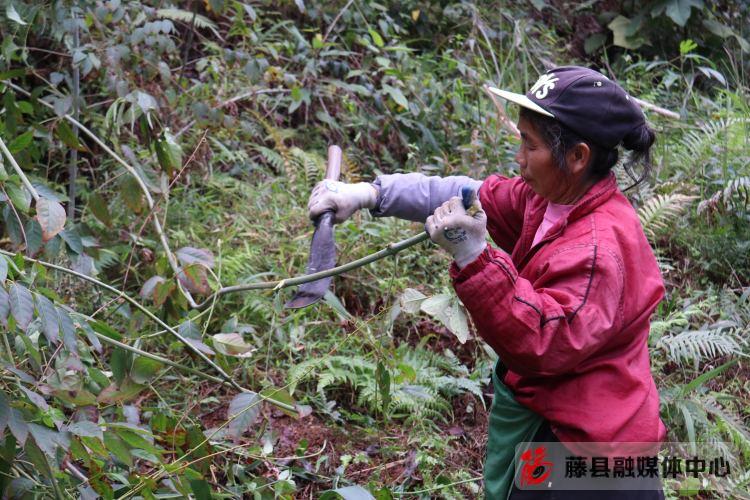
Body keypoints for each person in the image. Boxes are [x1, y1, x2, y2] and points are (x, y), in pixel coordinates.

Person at [307, 66, 666, 499]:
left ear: (577, 157)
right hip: (556, 425)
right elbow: (467, 192)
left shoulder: (597, 250)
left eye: (529, 145)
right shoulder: (550, 199)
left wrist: (473, 256)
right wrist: (367, 194)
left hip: (588, 459)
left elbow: (542, 342)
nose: (518, 158)